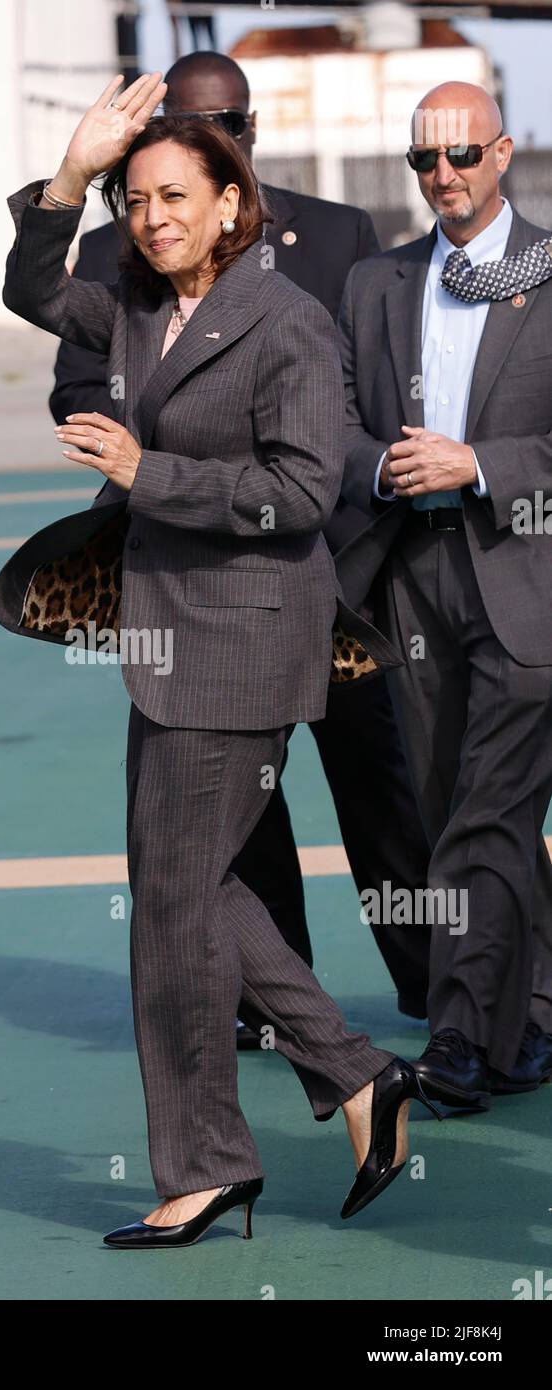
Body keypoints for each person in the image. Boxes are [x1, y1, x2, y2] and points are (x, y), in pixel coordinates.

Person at [0, 71, 442, 1249]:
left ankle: (203, 1165)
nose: (150, 219)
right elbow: (32, 285)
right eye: (134, 200)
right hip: (167, 639)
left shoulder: (286, 322)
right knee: (189, 888)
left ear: (232, 202)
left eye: (171, 196)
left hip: (246, 639)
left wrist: (151, 475)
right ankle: (354, 1076)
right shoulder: (140, 309)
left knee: (170, 911)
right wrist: (72, 174)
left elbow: (298, 493)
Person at [50, 49, 432, 1031]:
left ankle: (436, 987)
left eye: (235, 127)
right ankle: (271, 1005)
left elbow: (374, 396)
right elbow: (78, 384)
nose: (221, 139)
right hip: (187, 581)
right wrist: (147, 451)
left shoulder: (338, 235)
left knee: (381, 788)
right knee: (235, 819)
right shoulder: (118, 253)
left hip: (334, 564)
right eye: (194, 124)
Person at [337, 81, 552, 1110]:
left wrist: (480, 464)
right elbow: (335, 431)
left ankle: (465, 1036)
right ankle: (540, 1011)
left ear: (502, 153)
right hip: (410, 584)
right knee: (452, 813)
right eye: (423, 160)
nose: (442, 177)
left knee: (482, 816)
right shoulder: (374, 283)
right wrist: (382, 467)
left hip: (526, 573)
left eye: (461, 156)